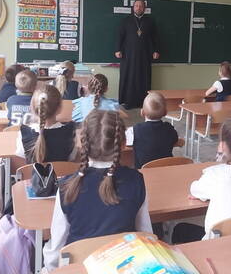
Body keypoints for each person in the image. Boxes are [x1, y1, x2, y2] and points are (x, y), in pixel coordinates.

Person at [43, 110, 152, 272]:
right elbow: (145, 234)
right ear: (123, 144)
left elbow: (57, 246)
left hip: (80, 269)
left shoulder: (67, 186)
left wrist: (50, 268)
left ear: (83, 143)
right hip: (124, 266)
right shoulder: (136, 181)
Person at [173, 117, 231, 243]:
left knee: (180, 229)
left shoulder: (215, 174)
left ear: (223, 146)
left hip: (216, 245)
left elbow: (194, 189)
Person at [115, 0, 160, 109]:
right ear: (133, 7)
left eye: (141, 6)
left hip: (144, 55)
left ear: (144, 8)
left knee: (143, 78)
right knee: (129, 77)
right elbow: (120, 36)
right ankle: (127, 102)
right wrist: (117, 49)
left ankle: (143, 102)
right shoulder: (126, 20)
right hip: (128, 55)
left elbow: (155, 38)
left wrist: (156, 50)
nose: (138, 8)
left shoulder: (150, 21)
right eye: (136, 6)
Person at [16, 85, 76, 164]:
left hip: (33, 172)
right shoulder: (70, 131)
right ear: (60, 108)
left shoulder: (24, 133)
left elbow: (21, 158)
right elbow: (72, 158)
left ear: (32, 107)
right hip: (63, 172)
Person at [125, 92, 178, 169]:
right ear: (165, 112)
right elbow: (175, 139)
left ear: (142, 112)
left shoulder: (134, 130)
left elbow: (126, 142)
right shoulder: (169, 128)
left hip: (143, 172)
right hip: (166, 169)